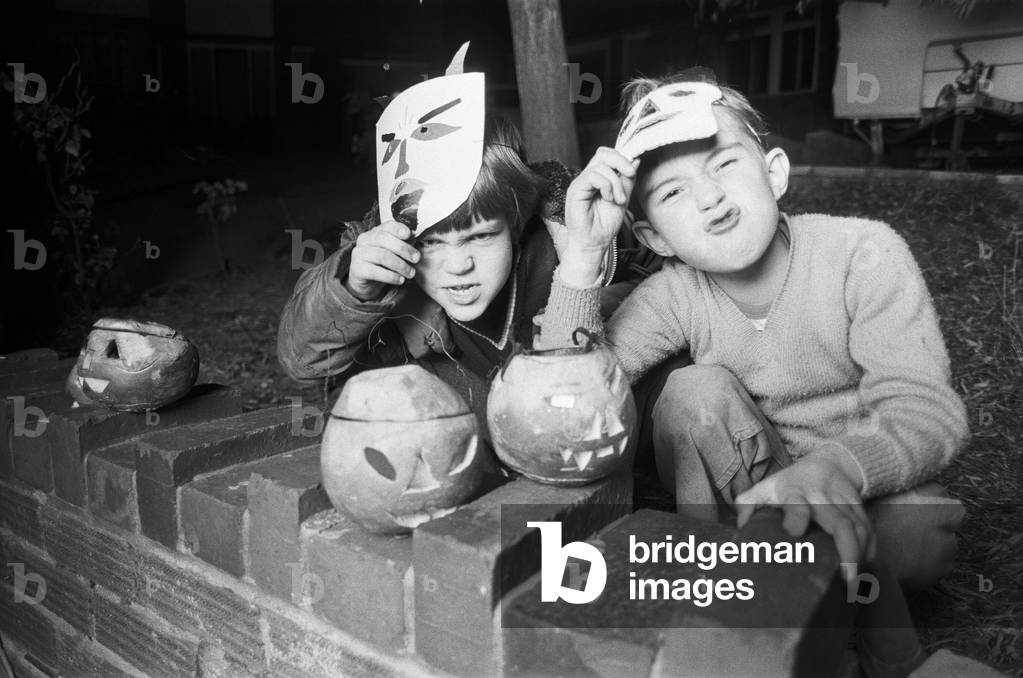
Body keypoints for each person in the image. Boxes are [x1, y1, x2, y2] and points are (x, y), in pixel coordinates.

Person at [537, 72, 969, 594]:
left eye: (724, 163)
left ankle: (798, 581)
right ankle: (721, 573)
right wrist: (584, 257)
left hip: (858, 478)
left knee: (918, 532)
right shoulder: (676, 294)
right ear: (655, 237)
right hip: (749, 487)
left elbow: (925, 409)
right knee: (692, 392)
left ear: (775, 173)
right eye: (673, 191)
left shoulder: (863, 253)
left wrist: (840, 468)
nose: (710, 197)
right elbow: (569, 400)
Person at [277, 73, 630, 421]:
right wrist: (353, 291)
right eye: (429, 242)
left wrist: (586, 260)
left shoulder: (571, 240)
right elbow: (304, 363)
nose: (458, 266)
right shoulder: (383, 277)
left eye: (480, 236)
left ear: (516, 222)